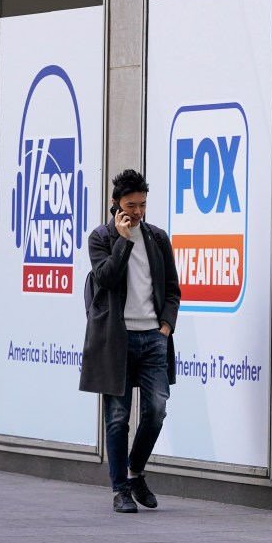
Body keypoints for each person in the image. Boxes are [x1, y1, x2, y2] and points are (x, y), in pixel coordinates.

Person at [81, 169, 181, 513]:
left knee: (156, 410)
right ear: (115, 205)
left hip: (153, 338)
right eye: (130, 205)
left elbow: (171, 289)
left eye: (141, 204)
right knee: (117, 418)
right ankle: (120, 489)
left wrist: (165, 327)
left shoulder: (158, 238)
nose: (137, 212)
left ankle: (135, 472)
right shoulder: (101, 238)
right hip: (116, 341)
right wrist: (123, 241)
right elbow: (105, 279)